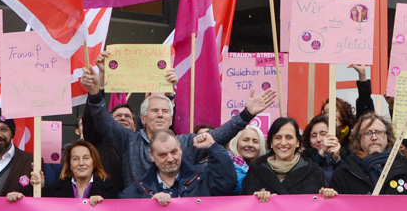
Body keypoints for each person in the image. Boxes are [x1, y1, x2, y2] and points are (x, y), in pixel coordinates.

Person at [81, 62, 274, 189]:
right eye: (154, 111)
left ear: (171, 119)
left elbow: (220, 135)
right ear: (143, 117)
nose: (160, 115)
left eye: (165, 111)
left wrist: (247, 114)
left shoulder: (186, 143)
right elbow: (102, 120)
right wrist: (95, 92)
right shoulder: (128, 140)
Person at [302, 114, 343, 186]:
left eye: (323, 134)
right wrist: (320, 155)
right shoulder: (303, 160)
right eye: (314, 136)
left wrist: (337, 160)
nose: (318, 139)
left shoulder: (347, 155)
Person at [228, 125, 265, 194]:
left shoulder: (266, 166)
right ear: (236, 142)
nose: (250, 145)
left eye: (255, 141)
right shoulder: (225, 164)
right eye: (245, 140)